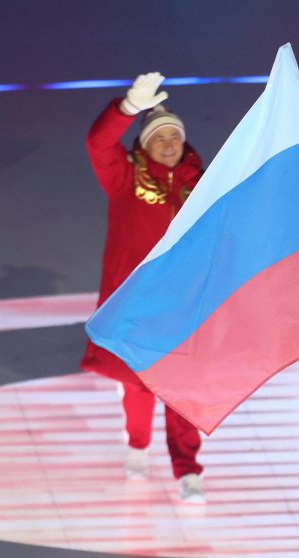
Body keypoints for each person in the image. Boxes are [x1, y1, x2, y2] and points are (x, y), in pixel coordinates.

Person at [81, 72, 207, 503]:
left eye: (175, 137)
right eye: (160, 137)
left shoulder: (201, 183)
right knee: (137, 384)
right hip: (135, 305)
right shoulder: (126, 177)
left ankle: (188, 469)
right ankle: (137, 443)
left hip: (183, 308)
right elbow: (98, 144)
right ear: (144, 144)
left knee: (182, 391)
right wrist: (127, 109)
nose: (169, 144)